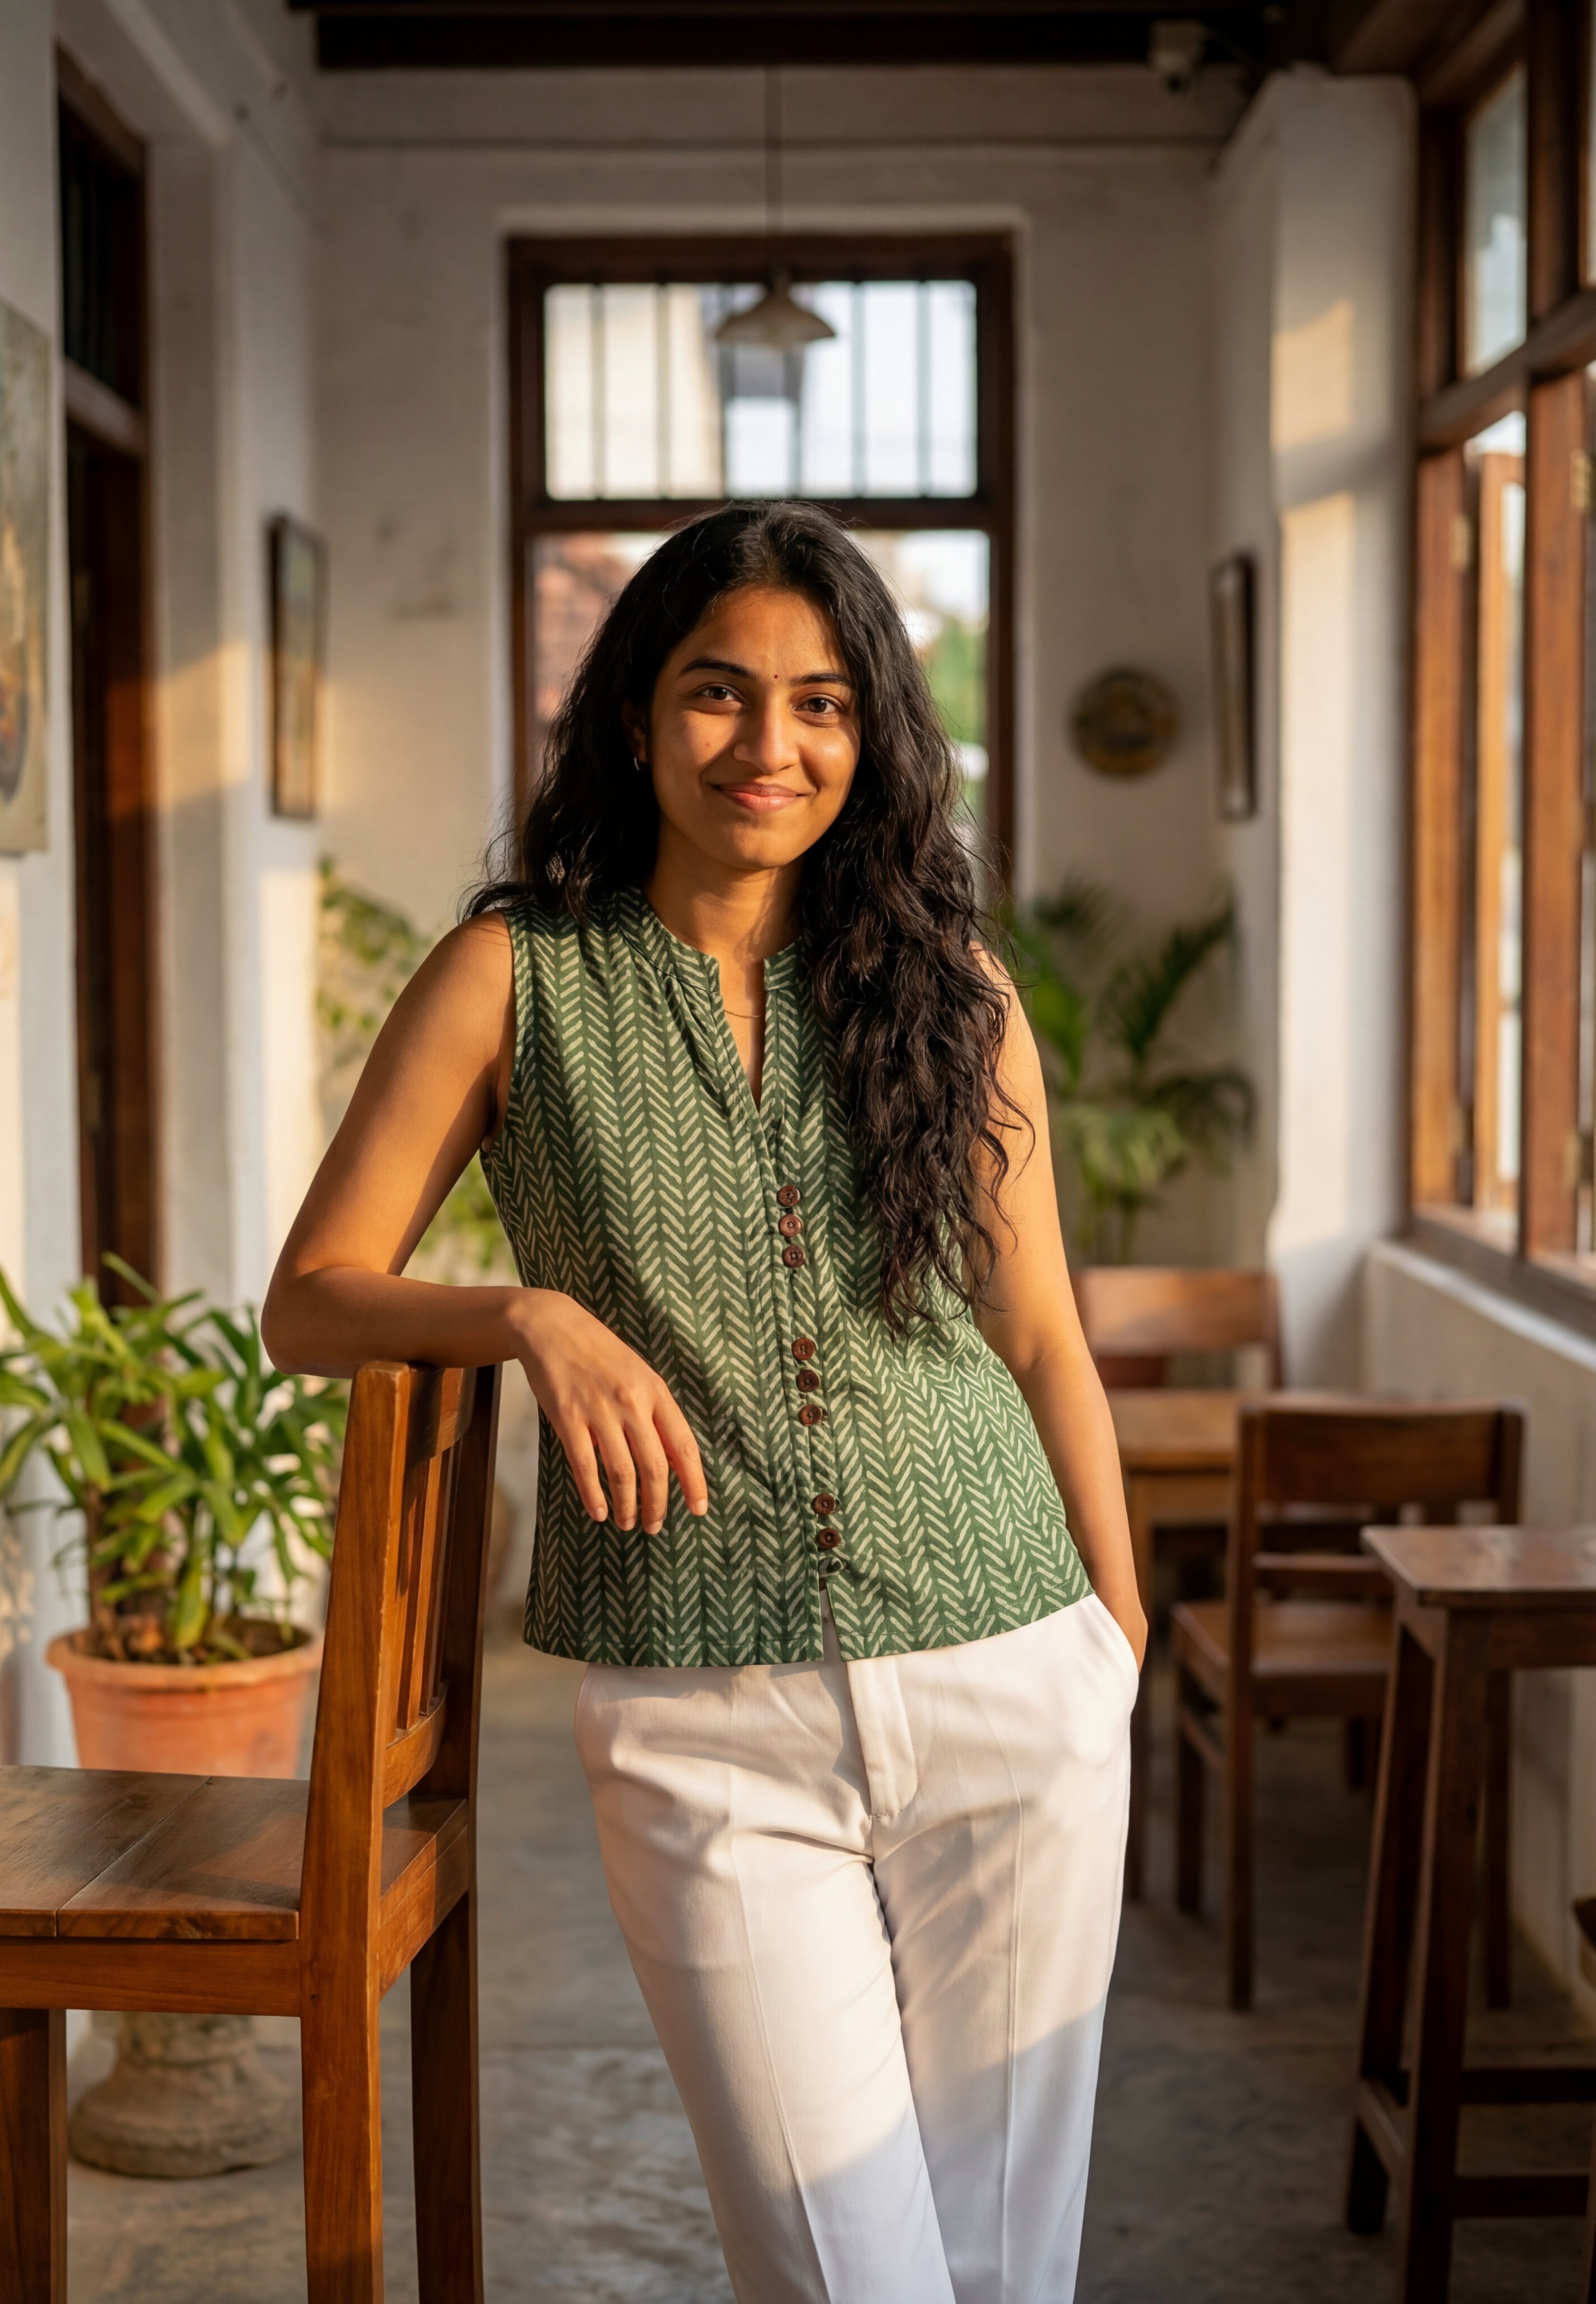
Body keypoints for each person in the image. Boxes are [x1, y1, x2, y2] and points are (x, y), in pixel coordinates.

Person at [263, 500, 1147, 2304]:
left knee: (1010, 2276)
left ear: (874, 732)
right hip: (702, 1714)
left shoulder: (953, 991)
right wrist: (525, 1316)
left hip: (1017, 1677)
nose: (772, 746)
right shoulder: (513, 977)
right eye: (719, 694)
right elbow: (309, 1299)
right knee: (846, 2277)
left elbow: (1042, 1333)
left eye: (822, 704)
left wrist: (1117, 1642)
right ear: (637, 714)